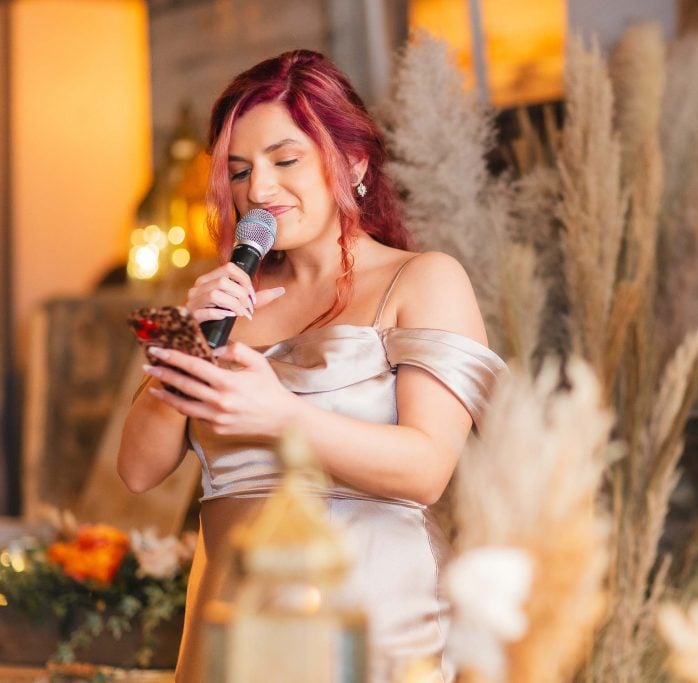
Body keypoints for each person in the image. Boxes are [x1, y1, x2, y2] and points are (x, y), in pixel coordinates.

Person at [117, 49, 506, 682]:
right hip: (230, 632)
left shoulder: (422, 280)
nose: (258, 192)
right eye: (239, 172)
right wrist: (187, 345)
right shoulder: (228, 298)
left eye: (285, 161)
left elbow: (427, 470)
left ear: (353, 163)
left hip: (372, 622)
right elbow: (136, 472)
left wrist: (280, 415)